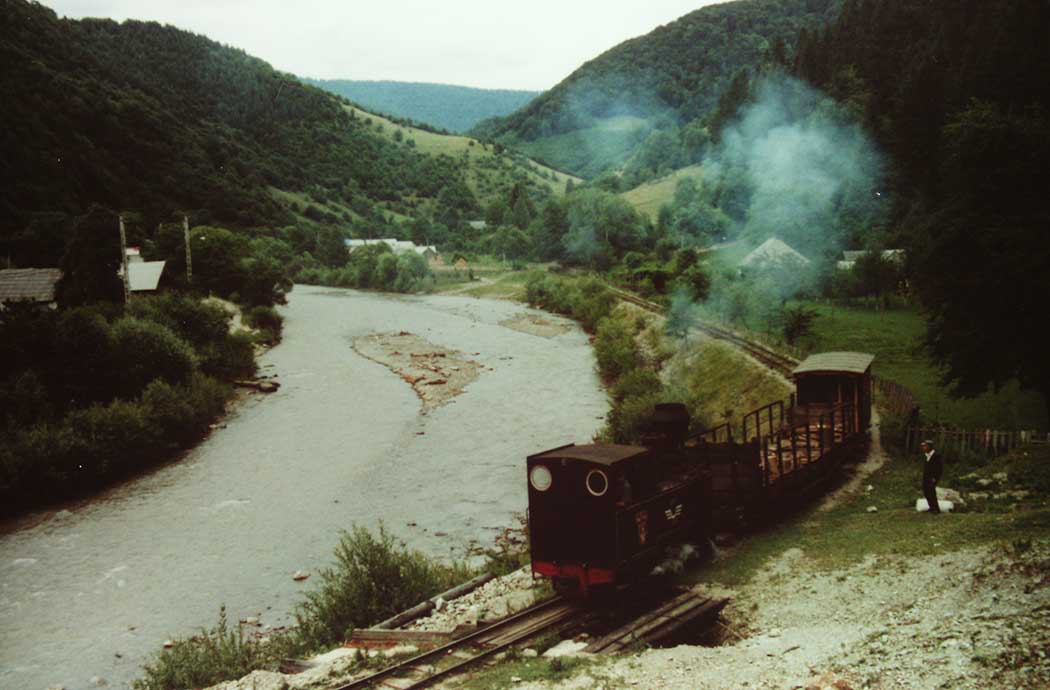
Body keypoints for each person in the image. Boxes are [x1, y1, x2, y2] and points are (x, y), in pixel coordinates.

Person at [920, 439, 943, 514]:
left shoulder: (936, 456)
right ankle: (931, 507)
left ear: (930, 447)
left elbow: (939, 468)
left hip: (932, 478)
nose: (923, 448)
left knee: (932, 493)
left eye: (925, 446)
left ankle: (935, 509)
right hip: (926, 477)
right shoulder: (927, 456)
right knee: (926, 492)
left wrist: (935, 477)